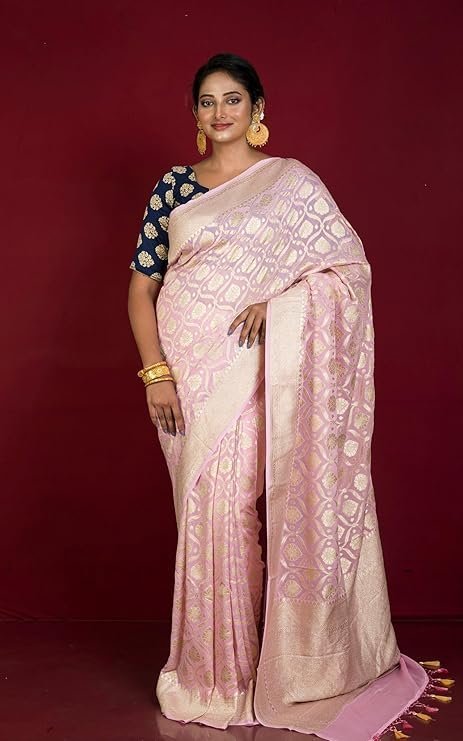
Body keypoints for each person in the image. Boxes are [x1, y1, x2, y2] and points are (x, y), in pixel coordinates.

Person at [127, 53, 452, 740]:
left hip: (253, 363)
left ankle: (256, 671)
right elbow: (140, 288)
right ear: (194, 114)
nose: (220, 112)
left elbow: (345, 270)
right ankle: (208, 672)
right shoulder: (173, 188)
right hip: (186, 368)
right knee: (201, 512)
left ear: (257, 108)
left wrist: (278, 305)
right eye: (207, 101)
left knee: (234, 508)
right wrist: (156, 373)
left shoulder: (290, 183)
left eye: (232, 99)